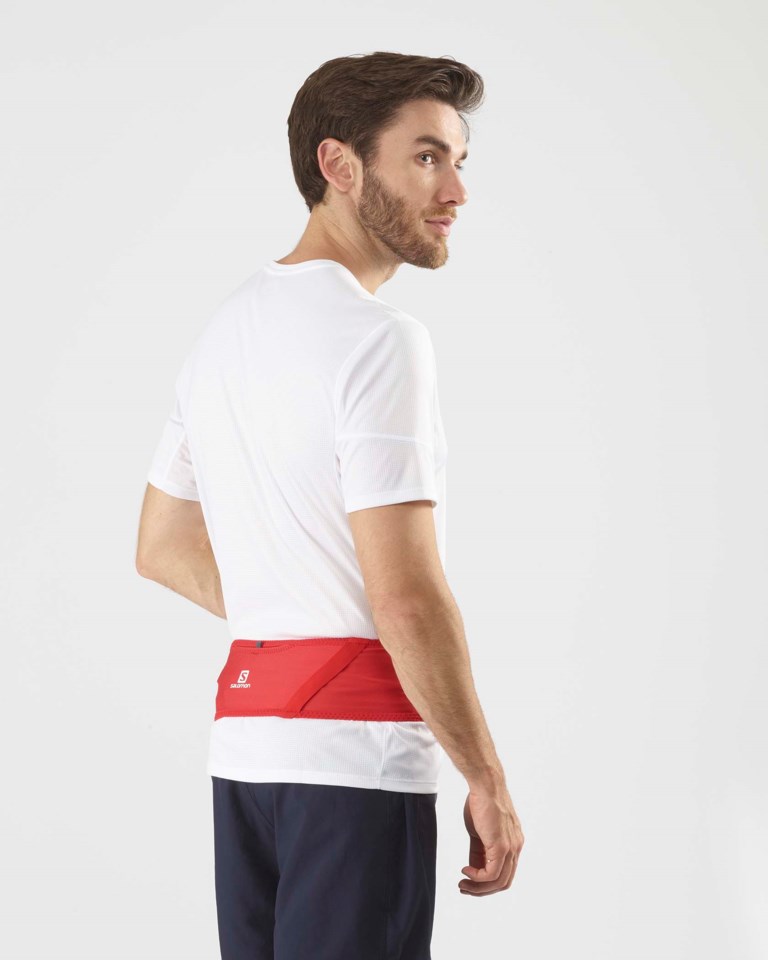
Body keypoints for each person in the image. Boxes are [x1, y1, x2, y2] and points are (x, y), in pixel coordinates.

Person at [136, 50, 524, 959]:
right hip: (356, 763)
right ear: (339, 165)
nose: (456, 191)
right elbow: (406, 598)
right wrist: (485, 777)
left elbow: (161, 543)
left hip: (246, 749)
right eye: (426, 157)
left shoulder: (223, 333)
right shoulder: (380, 340)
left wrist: (292, 610)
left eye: (459, 160)